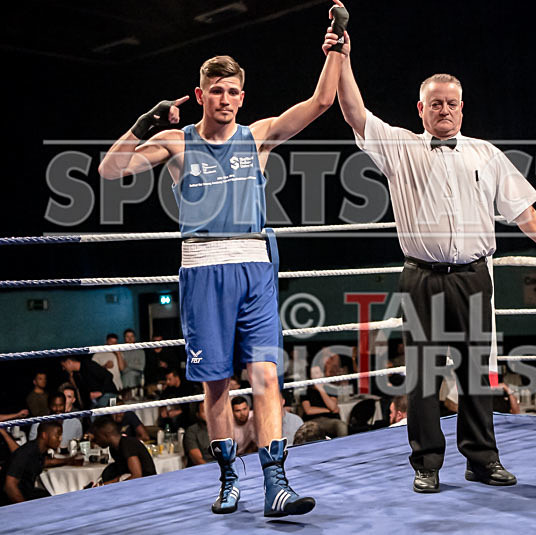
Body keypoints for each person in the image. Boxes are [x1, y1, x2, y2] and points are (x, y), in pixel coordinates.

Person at [97, 1, 349, 518]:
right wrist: (140, 126)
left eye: (234, 91)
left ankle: (276, 484)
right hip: (202, 268)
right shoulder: (176, 141)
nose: (227, 99)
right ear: (200, 95)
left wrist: (337, 47)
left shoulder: (258, 137)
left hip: (254, 265)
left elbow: (323, 101)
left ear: (242, 95)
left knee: (266, 377)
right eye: (217, 90)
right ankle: (229, 479)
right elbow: (110, 170)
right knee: (216, 384)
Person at [335, 28, 536, 495]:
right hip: (421, 275)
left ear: (463, 107)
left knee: (476, 372)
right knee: (422, 375)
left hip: (474, 276)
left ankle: (482, 460)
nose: (444, 110)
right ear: (421, 109)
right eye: (435, 103)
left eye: (452, 103)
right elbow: (355, 114)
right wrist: (343, 57)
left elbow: (521, 207)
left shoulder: (486, 153)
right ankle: (426, 464)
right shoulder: (401, 147)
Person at [1, 422, 62, 504]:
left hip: (27, 493)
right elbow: (9, 486)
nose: (60, 439)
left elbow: (45, 462)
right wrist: (26, 508)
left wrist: (69, 460)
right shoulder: (26, 453)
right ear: (44, 435)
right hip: (8, 502)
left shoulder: (38, 450)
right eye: (57, 436)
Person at [90, 417, 156, 486]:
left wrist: (110, 486)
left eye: (97, 437)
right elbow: (122, 476)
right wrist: (102, 485)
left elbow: (137, 475)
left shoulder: (127, 444)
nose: (96, 441)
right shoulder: (113, 449)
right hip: (138, 485)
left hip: (147, 485)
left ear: (105, 435)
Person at [300, 367, 348, 438]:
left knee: (341, 425)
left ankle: (342, 447)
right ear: (311, 376)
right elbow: (308, 410)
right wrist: (328, 410)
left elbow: (332, 407)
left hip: (331, 419)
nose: (318, 375)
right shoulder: (305, 391)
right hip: (314, 420)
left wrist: (321, 389)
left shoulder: (331, 389)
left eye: (319, 372)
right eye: (315, 373)